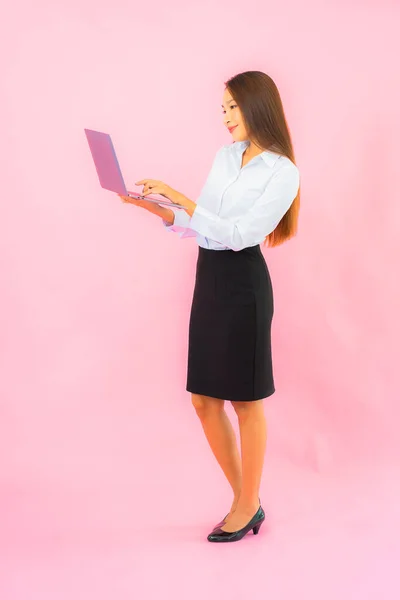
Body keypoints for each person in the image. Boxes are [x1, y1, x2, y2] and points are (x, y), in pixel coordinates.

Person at [118, 71, 300, 543]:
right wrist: (158, 209)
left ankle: (245, 503)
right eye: (222, 108)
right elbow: (207, 228)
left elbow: (241, 235)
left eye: (232, 107)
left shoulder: (283, 172)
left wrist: (183, 198)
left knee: (245, 400)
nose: (224, 117)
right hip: (210, 276)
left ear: (258, 106)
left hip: (244, 285)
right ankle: (249, 500)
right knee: (203, 399)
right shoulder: (226, 157)